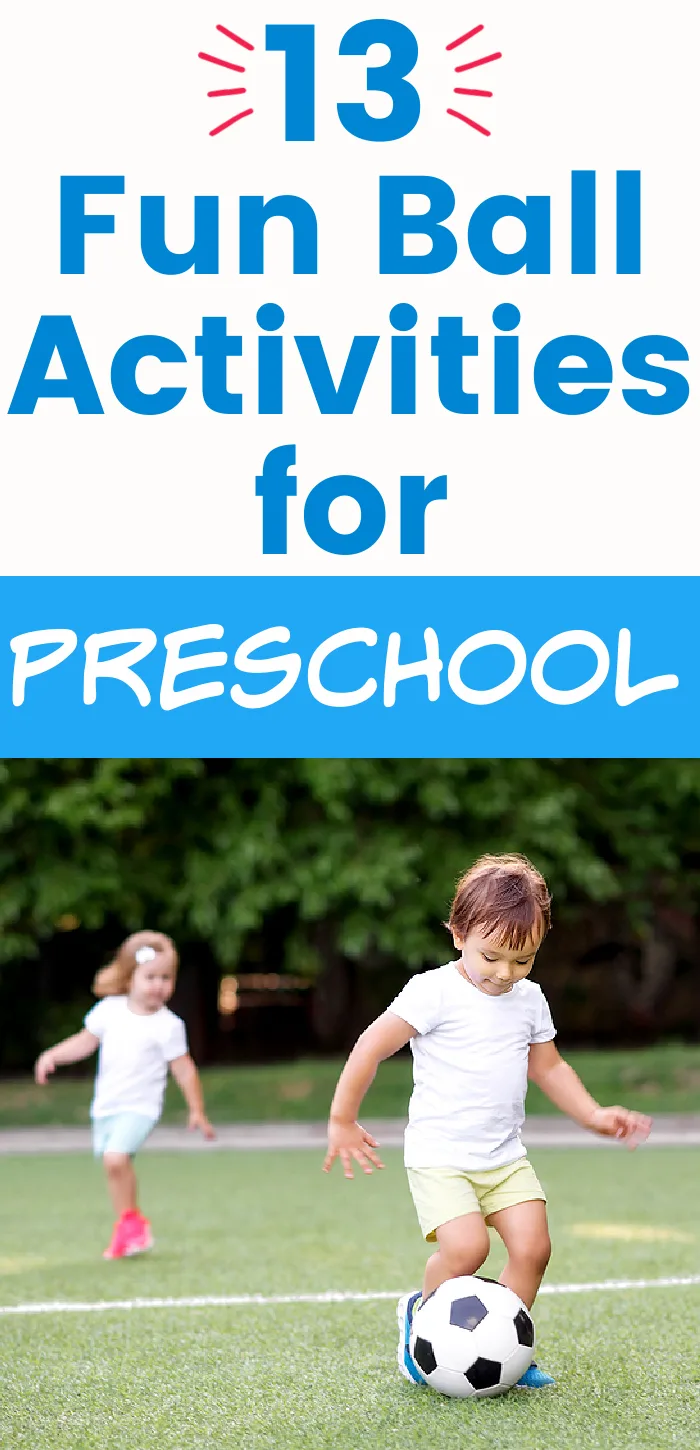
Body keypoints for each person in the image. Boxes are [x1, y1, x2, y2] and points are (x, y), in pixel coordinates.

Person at [323, 853, 652, 1390]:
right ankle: (420, 1318)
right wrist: (341, 1119)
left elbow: (548, 1066)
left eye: (522, 960)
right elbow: (369, 1047)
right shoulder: (433, 991)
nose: (505, 973)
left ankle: (506, 1346)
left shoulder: (529, 1000)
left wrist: (593, 1114)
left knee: (533, 1249)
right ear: (457, 934)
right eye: (492, 956)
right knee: (466, 1250)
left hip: (504, 1156)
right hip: (441, 1157)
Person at [34, 929, 215, 1259]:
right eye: (150, 976)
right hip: (106, 1107)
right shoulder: (110, 1010)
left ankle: (133, 1225)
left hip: (141, 1107)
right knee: (113, 1167)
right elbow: (84, 1041)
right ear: (129, 976)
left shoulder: (168, 1025)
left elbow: (184, 1069)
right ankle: (127, 1226)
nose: (159, 985)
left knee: (115, 1159)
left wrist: (197, 1109)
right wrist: (53, 1055)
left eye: (166, 977)